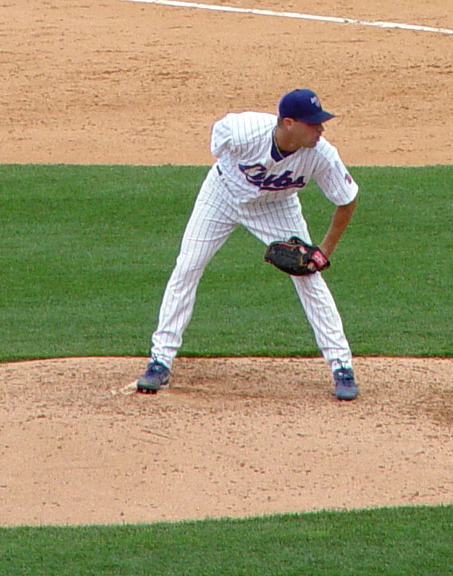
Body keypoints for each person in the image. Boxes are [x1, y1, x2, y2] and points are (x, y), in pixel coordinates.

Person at [136, 88, 359, 400]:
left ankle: (342, 366)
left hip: (277, 208)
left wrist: (323, 252)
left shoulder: (322, 155)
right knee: (187, 266)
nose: (320, 129)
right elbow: (218, 142)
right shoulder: (243, 130)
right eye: (313, 123)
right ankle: (160, 360)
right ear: (289, 123)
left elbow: (347, 200)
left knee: (309, 278)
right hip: (221, 195)